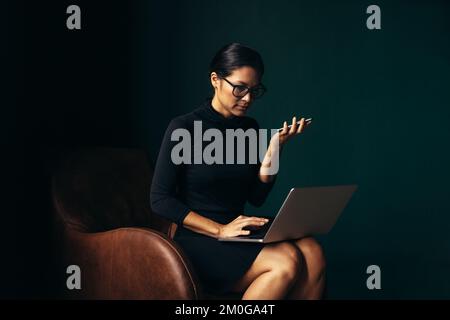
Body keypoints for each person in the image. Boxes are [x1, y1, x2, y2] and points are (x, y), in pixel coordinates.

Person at [150, 43, 326, 299]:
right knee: (285, 262)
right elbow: (159, 199)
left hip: (238, 230)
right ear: (215, 80)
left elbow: (256, 197)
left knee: (312, 251)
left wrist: (274, 148)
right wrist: (220, 230)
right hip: (200, 238)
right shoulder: (183, 128)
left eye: (255, 91)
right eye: (240, 88)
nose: (247, 99)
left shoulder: (249, 128)